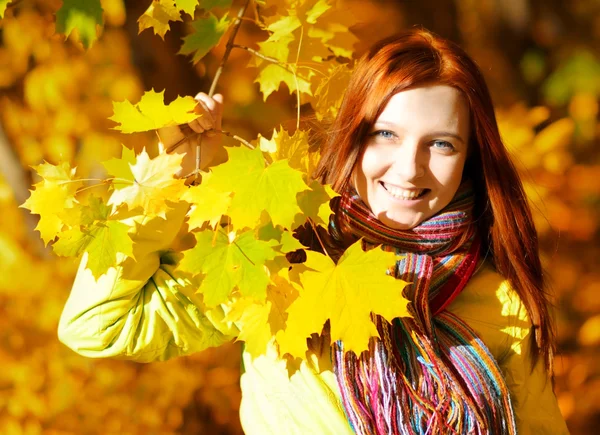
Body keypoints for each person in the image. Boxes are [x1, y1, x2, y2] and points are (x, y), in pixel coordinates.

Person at [57, 28, 569, 434]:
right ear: (353, 137)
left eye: (441, 145)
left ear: (471, 159)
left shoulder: (502, 303)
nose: (409, 169)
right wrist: (171, 173)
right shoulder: (282, 256)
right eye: (386, 134)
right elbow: (99, 324)